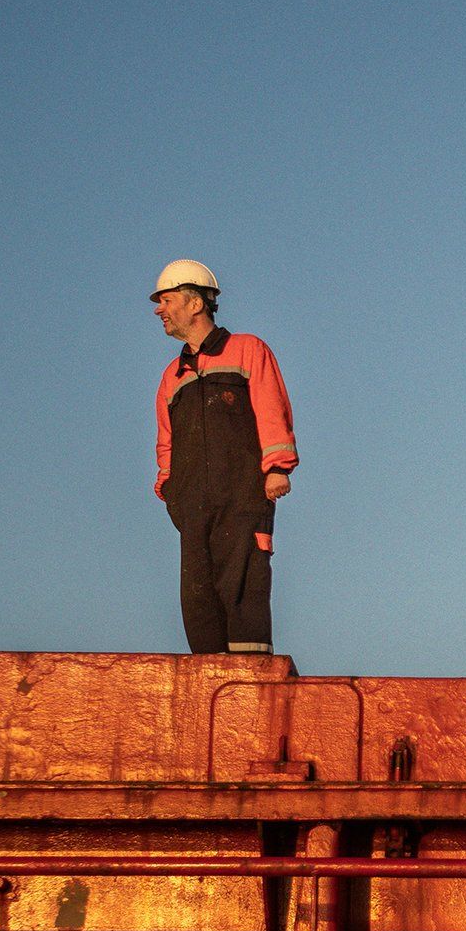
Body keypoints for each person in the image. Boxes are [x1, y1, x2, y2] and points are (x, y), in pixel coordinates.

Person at [150, 260, 299, 655]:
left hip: (243, 497)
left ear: (195, 303)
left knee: (244, 588)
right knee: (198, 598)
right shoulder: (171, 376)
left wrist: (278, 467)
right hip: (193, 506)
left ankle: (249, 683)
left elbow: (272, 407)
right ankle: (210, 681)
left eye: (165, 300)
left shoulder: (248, 350)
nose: (158, 310)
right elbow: (166, 442)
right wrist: (169, 490)